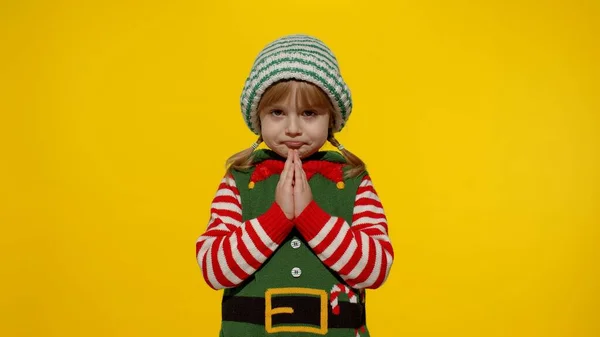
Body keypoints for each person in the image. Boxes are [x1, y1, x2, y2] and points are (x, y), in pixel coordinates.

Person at [195, 34, 394, 337]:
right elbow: (214, 269)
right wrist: (278, 217)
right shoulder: (240, 179)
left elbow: (375, 270)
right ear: (258, 117)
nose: (292, 128)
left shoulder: (352, 180)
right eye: (277, 112)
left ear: (331, 119)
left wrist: (310, 216)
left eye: (309, 113)